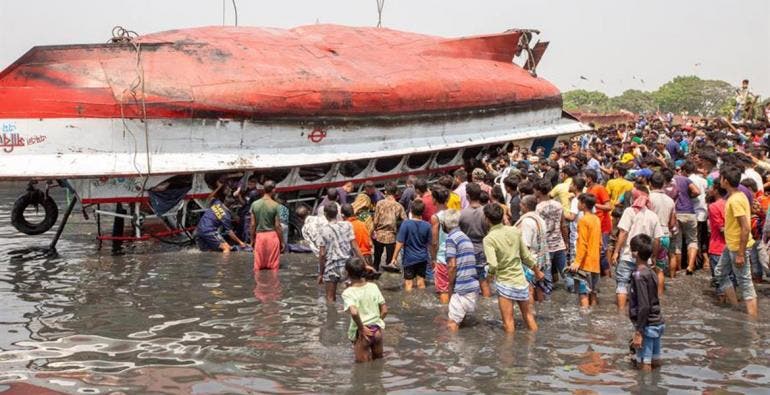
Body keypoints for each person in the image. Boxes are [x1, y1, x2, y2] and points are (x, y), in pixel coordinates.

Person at [483, 203, 545, 333]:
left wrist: (489, 277)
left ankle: (509, 351)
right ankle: (533, 346)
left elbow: (493, 264)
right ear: (502, 217)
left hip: (505, 283)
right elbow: (526, 257)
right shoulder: (514, 231)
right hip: (520, 281)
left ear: (487, 219)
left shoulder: (489, 239)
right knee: (528, 316)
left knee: (508, 321)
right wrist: (537, 272)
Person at [715, 165, 758, 317]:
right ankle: (736, 308)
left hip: (738, 247)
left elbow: (745, 227)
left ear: (725, 181)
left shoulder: (735, 200)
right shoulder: (737, 197)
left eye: (721, 178)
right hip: (732, 244)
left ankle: (752, 320)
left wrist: (740, 253)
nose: (719, 181)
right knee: (719, 272)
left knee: (745, 283)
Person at [611, 186, 664, 310]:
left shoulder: (629, 212)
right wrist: (654, 256)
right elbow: (657, 240)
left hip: (628, 255)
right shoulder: (653, 216)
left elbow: (623, 233)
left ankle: (620, 312)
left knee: (622, 284)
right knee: (641, 286)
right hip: (645, 259)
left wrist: (616, 252)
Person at [628, 234, 665, 372]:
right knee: (654, 360)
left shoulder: (638, 275)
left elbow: (644, 305)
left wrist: (639, 332)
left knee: (644, 362)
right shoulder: (652, 272)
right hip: (657, 322)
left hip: (647, 326)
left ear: (635, 253)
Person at [342, 258, 388, 363]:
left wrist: (362, 328)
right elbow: (385, 310)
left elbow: (354, 312)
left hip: (363, 333)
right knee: (378, 365)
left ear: (348, 273)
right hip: (377, 331)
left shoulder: (348, 292)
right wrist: (377, 322)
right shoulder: (373, 287)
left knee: (362, 370)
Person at [318, 204, 366, 302]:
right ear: (337, 213)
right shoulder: (347, 225)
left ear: (325, 214)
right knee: (350, 298)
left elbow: (322, 254)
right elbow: (355, 247)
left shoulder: (322, 230)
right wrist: (364, 263)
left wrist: (321, 273)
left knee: (330, 299)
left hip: (331, 267)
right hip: (347, 266)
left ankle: (332, 316)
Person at [442, 209, 480, 331]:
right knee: (461, 323)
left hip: (462, 287)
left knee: (452, 324)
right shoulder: (464, 237)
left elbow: (452, 265)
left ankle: (452, 349)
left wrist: (450, 286)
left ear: (445, 224)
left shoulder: (451, 238)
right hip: (472, 285)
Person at [568, 193, 602, 307]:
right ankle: (593, 319)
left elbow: (582, 243)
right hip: (595, 262)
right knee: (593, 292)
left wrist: (577, 262)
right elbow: (600, 242)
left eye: (578, 202)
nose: (577, 204)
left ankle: (585, 319)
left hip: (585, 263)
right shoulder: (596, 219)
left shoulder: (583, 220)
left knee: (583, 293)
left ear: (583, 204)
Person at [515, 195, 550, 303]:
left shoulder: (527, 221)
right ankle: (539, 310)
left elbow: (526, 246)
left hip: (530, 260)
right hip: (541, 259)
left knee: (528, 289)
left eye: (521, 204)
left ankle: (530, 314)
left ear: (525, 206)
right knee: (539, 287)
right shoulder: (539, 219)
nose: (519, 205)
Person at [391, 199, 432, 291]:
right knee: (421, 283)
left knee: (409, 284)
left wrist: (394, 258)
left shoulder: (406, 224)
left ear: (411, 211)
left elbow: (400, 242)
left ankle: (408, 304)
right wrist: (433, 259)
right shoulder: (427, 225)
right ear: (423, 211)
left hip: (409, 259)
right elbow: (431, 244)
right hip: (422, 258)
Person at [459, 183, 492, 297]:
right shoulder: (486, 213)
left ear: (467, 196)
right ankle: (487, 304)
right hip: (484, 250)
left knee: (467, 281)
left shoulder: (462, 214)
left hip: (467, 252)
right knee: (484, 281)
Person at [534, 179, 568, 287]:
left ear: (539, 191)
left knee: (546, 277)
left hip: (545, 247)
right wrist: (566, 242)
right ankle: (575, 291)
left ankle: (547, 299)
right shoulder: (558, 205)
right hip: (559, 244)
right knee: (566, 274)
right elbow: (563, 225)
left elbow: (536, 229)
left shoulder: (538, 208)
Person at [195, 186, 248, 253]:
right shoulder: (226, 216)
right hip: (209, 231)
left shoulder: (217, 202)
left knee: (209, 251)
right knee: (227, 248)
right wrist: (240, 242)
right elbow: (230, 232)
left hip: (199, 230)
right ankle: (223, 264)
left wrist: (219, 186)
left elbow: (210, 197)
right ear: (232, 206)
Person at [672, 163, 701, 275]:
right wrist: (690, 197)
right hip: (689, 212)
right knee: (692, 240)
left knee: (677, 242)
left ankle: (678, 268)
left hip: (677, 212)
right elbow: (697, 191)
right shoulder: (686, 180)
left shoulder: (671, 180)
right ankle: (690, 266)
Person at [584, 169, 613, 277]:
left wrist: (594, 205)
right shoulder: (588, 189)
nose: (583, 179)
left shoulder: (600, 189)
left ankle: (608, 277)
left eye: (585, 176)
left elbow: (609, 206)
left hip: (603, 225)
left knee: (602, 252)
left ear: (589, 178)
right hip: (593, 225)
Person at [373, 182, 407, 271]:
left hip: (379, 236)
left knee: (376, 261)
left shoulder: (379, 203)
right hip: (391, 237)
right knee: (389, 263)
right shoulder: (398, 206)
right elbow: (406, 222)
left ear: (385, 192)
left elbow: (375, 220)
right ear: (395, 192)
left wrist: (372, 231)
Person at [251, 180, 284, 272]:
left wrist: (252, 239)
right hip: (272, 236)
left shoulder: (254, 204)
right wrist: (282, 242)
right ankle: (274, 285)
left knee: (257, 267)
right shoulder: (276, 205)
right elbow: (278, 226)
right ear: (273, 190)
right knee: (274, 268)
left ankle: (258, 285)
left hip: (260, 236)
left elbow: (253, 224)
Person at [430, 186, 451, 303]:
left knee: (443, 289)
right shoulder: (455, 214)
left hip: (442, 256)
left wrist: (433, 258)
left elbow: (434, 241)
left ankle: (446, 314)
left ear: (435, 200)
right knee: (453, 286)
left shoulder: (436, 217)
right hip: (455, 255)